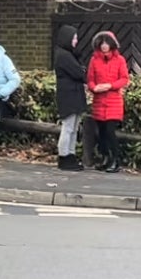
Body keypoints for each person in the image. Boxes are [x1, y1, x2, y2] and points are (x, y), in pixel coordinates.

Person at [86, 31, 131, 173]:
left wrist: (110, 86)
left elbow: (124, 79)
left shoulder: (120, 60)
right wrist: (94, 88)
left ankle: (115, 160)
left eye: (107, 43)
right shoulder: (94, 60)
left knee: (110, 131)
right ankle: (105, 157)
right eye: (102, 43)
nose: (104, 46)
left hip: (113, 101)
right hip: (99, 100)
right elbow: (90, 79)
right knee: (101, 133)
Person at [52, 26, 86, 172]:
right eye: (74, 38)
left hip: (74, 94)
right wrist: (81, 70)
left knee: (74, 127)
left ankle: (70, 154)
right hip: (69, 95)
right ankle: (64, 156)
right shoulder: (63, 55)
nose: (76, 40)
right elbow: (79, 73)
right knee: (68, 127)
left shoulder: (67, 54)